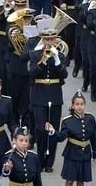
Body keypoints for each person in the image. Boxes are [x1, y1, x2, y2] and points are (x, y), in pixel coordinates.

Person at [30, 28, 68, 172]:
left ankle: (49, 163)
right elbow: (32, 74)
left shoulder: (61, 55)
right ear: (43, 40)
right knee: (40, 129)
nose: (49, 42)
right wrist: (43, 61)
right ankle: (40, 160)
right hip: (39, 95)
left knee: (53, 129)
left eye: (52, 39)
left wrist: (57, 60)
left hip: (55, 95)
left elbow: (64, 75)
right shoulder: (35, 54)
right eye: (47, 39)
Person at [45, 91, 96, 185]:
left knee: (81, 181)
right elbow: (61, 137)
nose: (79, 106)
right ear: (73, 106)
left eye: (82, 104)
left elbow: (94, 136)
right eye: (77, 104)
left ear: (85, 105)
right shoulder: (68, 121)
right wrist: (53, 131)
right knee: (70, 181)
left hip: (85, 153)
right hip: (72, 154)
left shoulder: (90, 118)